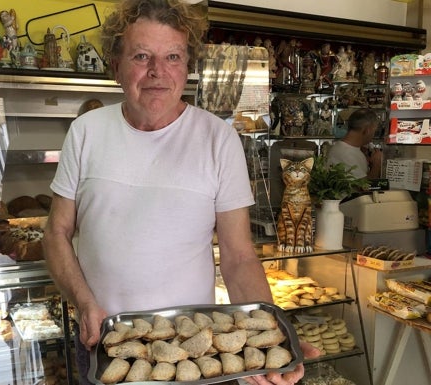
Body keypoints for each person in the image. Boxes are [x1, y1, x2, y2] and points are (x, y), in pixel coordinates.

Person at [42, 1, 320, 384]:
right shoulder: (87, 132)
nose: (158, 71)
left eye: (172, 56)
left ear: (187, 66)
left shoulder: (217, 139)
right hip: (104, 340)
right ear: (116, 65)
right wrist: (84, 301)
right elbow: (56, 232)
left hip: (191, 348)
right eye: (142, 56)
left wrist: (273, 335)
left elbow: (238, 257)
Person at [326, 108, 382, 179]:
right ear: (367, 130)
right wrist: (377, 164)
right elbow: (364, 187)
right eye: (374, 131)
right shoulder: (345, 153)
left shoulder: (350, 149)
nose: (373, 135)